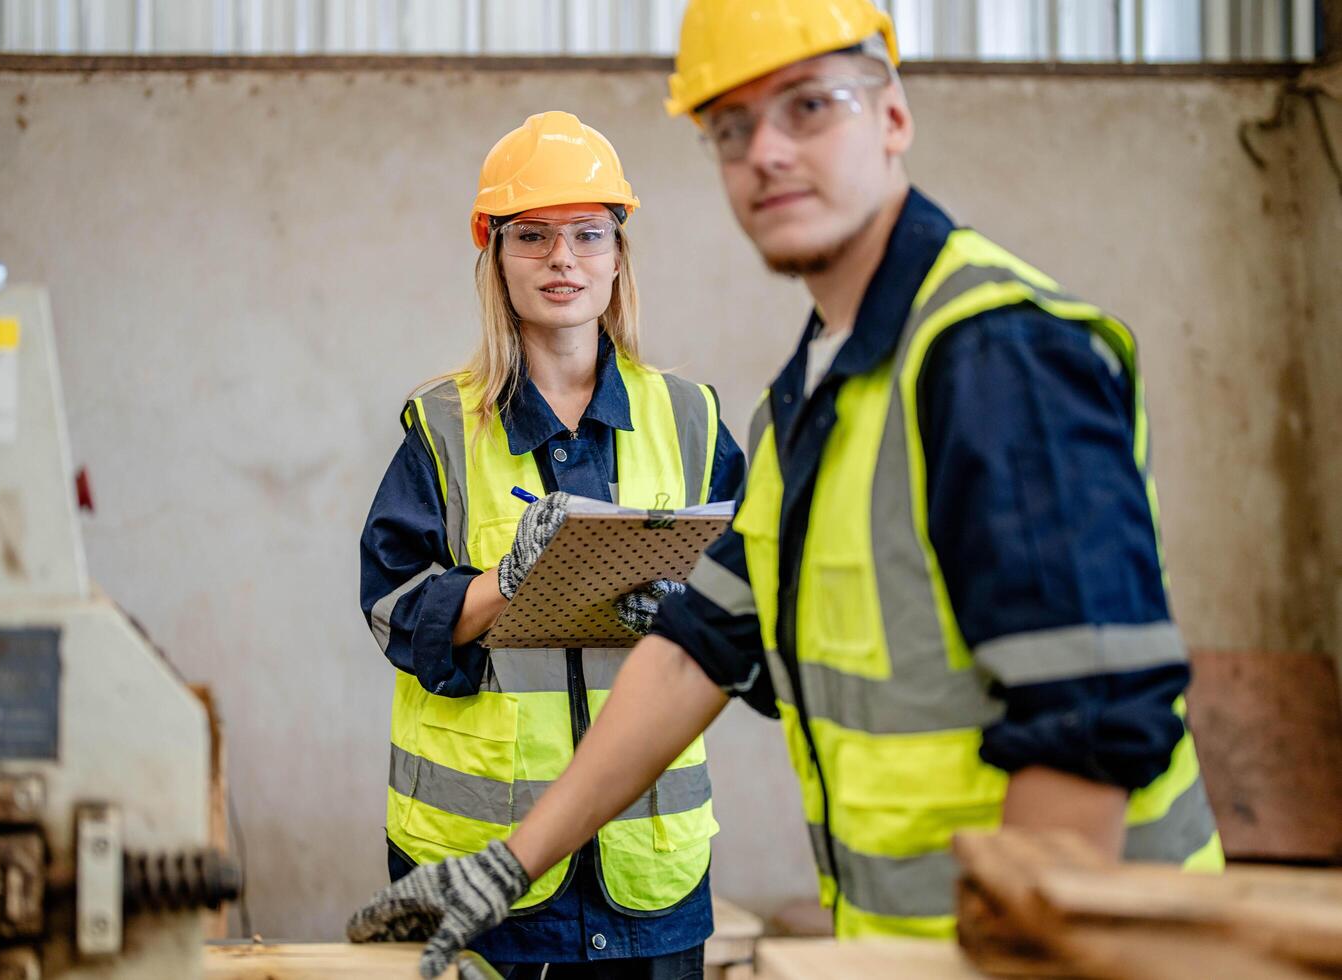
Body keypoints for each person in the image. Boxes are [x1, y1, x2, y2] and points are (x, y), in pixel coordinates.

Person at [349, 5, 1223, 975]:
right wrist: (508, 864)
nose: (765, 151)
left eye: (809, 105)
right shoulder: (812, 394)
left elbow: (1093, 724)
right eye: (731, 126)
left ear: (893, 118)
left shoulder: (994, 355)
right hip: (919, 946)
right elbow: (697, 651)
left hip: (1078, 953)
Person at [356, 110, 746, 979]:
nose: (561, 259)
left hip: (646, 876)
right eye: (531, 236)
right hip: (489, 872)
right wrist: (507, 582)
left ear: (618, 256)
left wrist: (688, 615)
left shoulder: (691, 419)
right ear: (494, 254)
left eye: (586, 235)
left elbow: (755, 603)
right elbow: (391, 611)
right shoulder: (445, 427)